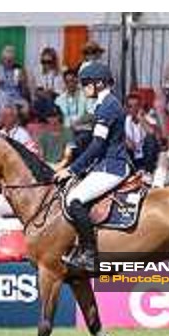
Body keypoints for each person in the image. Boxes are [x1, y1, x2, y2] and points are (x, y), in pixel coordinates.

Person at [53, 63, 129, 272]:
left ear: (99, 83)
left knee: (73, 200)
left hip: (113, 165)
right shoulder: (102, 105)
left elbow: (97, 144)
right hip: (104, 164)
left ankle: (90, 254)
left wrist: (72, 169)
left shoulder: (108, 106)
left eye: (86, 84)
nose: (83, 88)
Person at [124, 92, 161, 174]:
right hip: (132, 155)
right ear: (127, 109)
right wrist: (125, 139)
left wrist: (141, 119)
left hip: (147, 156)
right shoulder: (124, 121)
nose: (134, 109)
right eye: (130, 106)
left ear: (141, 107)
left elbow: (154, 135)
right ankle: (130, 170)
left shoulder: (148, 119)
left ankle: (148, 171)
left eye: (137, 105)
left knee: (150, 138)